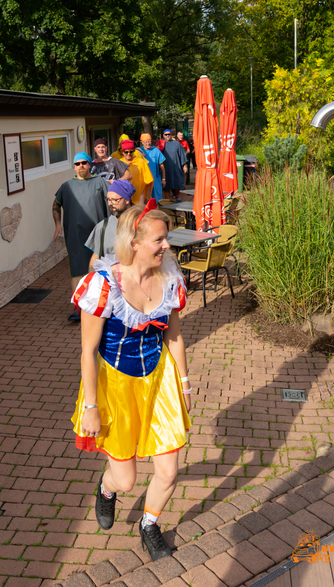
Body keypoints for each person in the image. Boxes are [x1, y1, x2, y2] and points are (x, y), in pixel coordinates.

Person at [70, 201, 192, 562]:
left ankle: (149, 524)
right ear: (134, 243)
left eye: (166, 238)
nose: (166, 246)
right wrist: (91, 407)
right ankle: (107, 490)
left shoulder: (169, 278)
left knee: (168, 472)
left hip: (158, 381)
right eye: (159, 239)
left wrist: (184, 386)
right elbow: (88, 352)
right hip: (116, 385)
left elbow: (174, 337)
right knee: (126, 480)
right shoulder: (103, 285)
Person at [53, 152, 109, 321]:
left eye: (84, 162)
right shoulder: (67, 186)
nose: (81, 166)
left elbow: (113, 201)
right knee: (77, 270)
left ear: (90, 164)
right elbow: (56, 203)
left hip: (99, 234)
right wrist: (57, 222)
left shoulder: (100, 183)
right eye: (77, 164)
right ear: (74, 166)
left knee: (100, 269)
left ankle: (102, 304)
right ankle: (78, 307)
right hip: (75, 235)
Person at [86, 180, 136, 270]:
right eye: (108, 199)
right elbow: (95, 256)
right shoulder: (102, 227)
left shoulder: (141, 223)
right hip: (111, 280)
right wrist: (90, 279)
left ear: (127, 200)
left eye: (115, 200)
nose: (110, 203)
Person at [121, 139, 154, 205]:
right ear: (122, 152)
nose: (129, 154)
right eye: (126, 152)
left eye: (131, 151)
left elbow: (149, 180)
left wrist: (148, 195)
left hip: (139, 195)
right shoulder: (119, 163)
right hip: (124, 196)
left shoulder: (141, 162)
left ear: (134, 151)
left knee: (138, 214)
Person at [161, 129, 188, 201]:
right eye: (166, 134)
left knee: (177, 182)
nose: (167, 136)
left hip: (176, 166)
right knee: (166, 185)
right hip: (165, 168)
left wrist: (184, 165)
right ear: (163, 135)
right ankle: (167, 200)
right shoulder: (161, 144)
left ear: (171, 135)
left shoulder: (177, 144)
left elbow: (182, 155)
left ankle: (178, 196)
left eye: (169, 134)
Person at [140, 133, 166, 202]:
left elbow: (162, 166)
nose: (148, 143)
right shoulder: (139, 152)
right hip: (144, 181)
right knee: (145, 202)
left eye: (149, 141)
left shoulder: (156, 151)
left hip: (155, 180)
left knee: (157, 201)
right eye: (146, 142)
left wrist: (163, 179)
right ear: (142, 142)